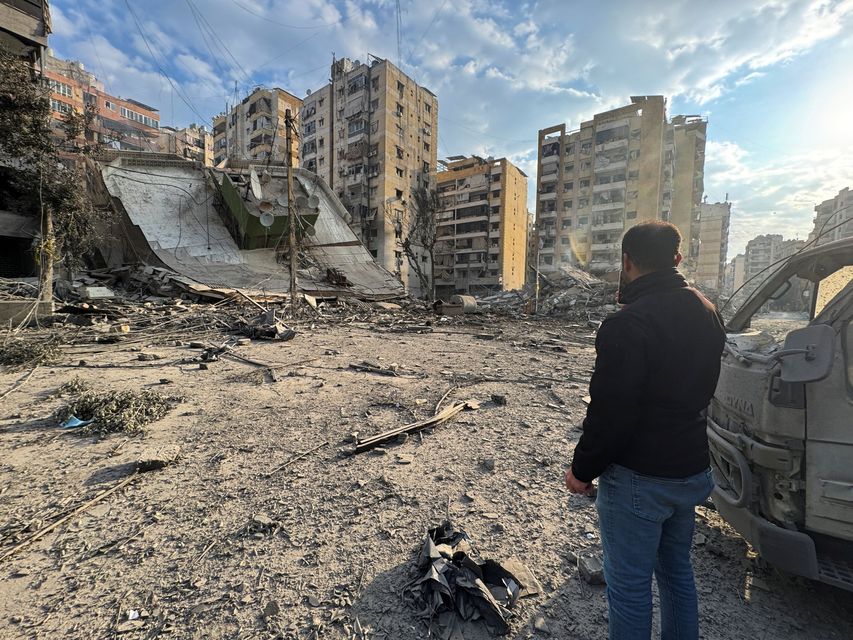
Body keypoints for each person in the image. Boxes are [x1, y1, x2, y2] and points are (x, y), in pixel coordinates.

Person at [565, 221, 726, 640]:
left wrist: (582, 471)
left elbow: (612, 413)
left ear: (626, 262)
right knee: (677, 575)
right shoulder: (708, 311)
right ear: (677, 259)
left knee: (631, 588)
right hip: (689, 469)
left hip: (640, 479)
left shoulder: (628, 323)